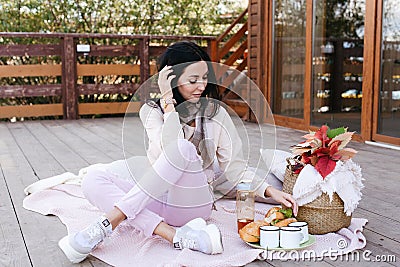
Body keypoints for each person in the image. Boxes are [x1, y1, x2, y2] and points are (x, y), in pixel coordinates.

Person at [58, 41, 298, 263]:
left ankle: (106, 223)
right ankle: (175, 236)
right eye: (193, 80)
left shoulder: (217, 114)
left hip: (195, 202)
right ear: (170, 79)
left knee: (183, 148)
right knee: (92, 179)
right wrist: (168, 101)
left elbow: (233, 167)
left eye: (204, 78)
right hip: (158, 200)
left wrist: (270, 191)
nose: (202, 86)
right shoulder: (151, 112)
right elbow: (167, 151)